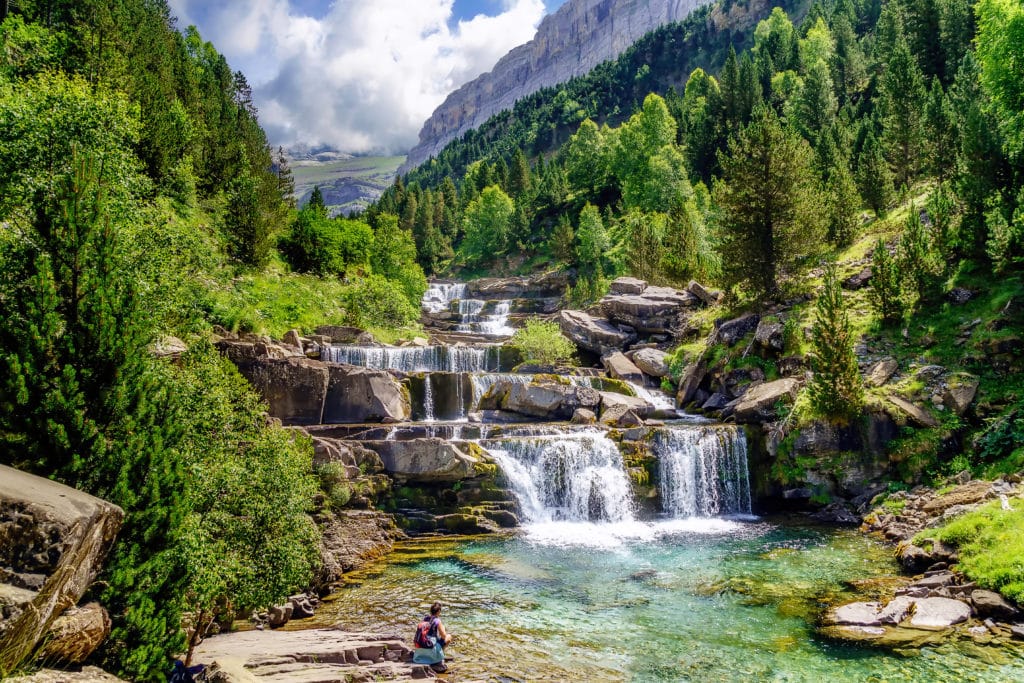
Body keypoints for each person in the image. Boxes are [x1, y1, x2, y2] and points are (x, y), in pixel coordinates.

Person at [412, 602, 454, 672]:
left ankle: (434, 655)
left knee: (436, 639)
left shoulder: (425, 618)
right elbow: (443, 636)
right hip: (431, 647)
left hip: (421, 647)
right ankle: (439, 657)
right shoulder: (437, 620)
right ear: (439, 611)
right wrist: (443, 628)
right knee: (449, 637)